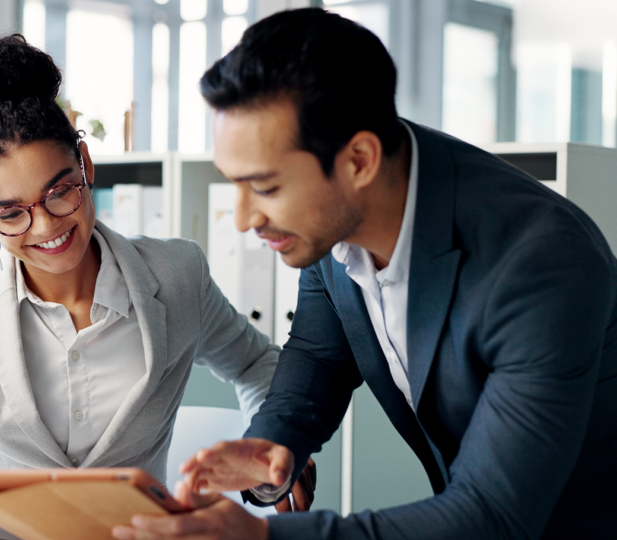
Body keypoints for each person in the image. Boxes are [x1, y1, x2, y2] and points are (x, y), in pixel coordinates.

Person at [115, 7, 617, 540]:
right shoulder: (336, 222)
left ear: (358, 161)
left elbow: (493, 515)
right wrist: (273, 444)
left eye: (264, 187)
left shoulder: (542, 261)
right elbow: (321, 355)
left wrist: (262, 536)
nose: (243, 220)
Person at [0, 34, 315, 510]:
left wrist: (273, 449)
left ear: (84, 164)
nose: (45, 227)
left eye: (60, 191)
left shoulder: (178, 273)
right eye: (10, 213)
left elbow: (258, 365)